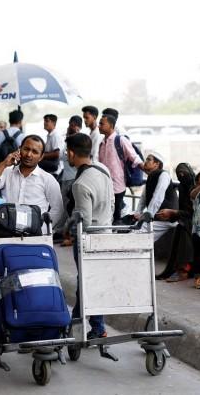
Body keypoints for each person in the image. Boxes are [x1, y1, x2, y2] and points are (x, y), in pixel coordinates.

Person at [64, 133, 114, 339]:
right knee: (91, 282)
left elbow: (82, 219)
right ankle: (93, 325)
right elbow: (111, 204)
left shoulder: (80, 184)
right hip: (106, 234)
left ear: (71, 153)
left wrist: (66, 226)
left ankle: (80, 326)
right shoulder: (103, 170)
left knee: (85, 282)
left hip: (87, 240)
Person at [0, 134, 63, 230]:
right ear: (19, 149)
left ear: (41, 157)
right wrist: (3, 164)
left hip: (36, 237)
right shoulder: (8, 172)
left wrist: (42, 229)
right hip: (9, 233)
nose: (29, 154)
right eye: (26, 149)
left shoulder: (47, 179)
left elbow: (58, 209)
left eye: (35, 152)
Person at [98, 112, 144, 222]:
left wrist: (148, 170)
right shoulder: (102, 143)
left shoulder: (121, 140)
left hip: (117, 186)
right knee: (106, 215)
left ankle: (116, 234)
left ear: (111, 125)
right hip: (104, 186)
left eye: (102, 124)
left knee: (116, 215)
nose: (99, 126)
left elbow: (134, 157)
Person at [132, 152, 178, 241]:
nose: (145, 162)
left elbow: (158, 197)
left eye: (149, 159)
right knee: (133, 227)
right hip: (156, 218)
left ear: (157, 164)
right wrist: (137, 213)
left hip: (166, 219)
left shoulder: (164, 175)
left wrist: (148, 215)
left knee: (137, 234)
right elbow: (143, 198)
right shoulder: (150, 177)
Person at [57, 116, 83, 244]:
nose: (69, 127)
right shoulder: (67, 141)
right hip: (66, 178)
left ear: (78, 126)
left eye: (72, 125)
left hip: (74, 178)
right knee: (65, 206)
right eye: (69, 124)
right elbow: (62, 157)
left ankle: (71, 234)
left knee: (73, 206)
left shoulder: (80, 141)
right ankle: (65, 231)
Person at [40, 114, 64, 180]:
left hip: (55, 171)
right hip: (50, 170)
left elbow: (57, 154)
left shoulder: (55, 136)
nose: (44, 123)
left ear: (53, 123)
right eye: (44, 121)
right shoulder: (49, 135)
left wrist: (42, 156)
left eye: (47, 121)